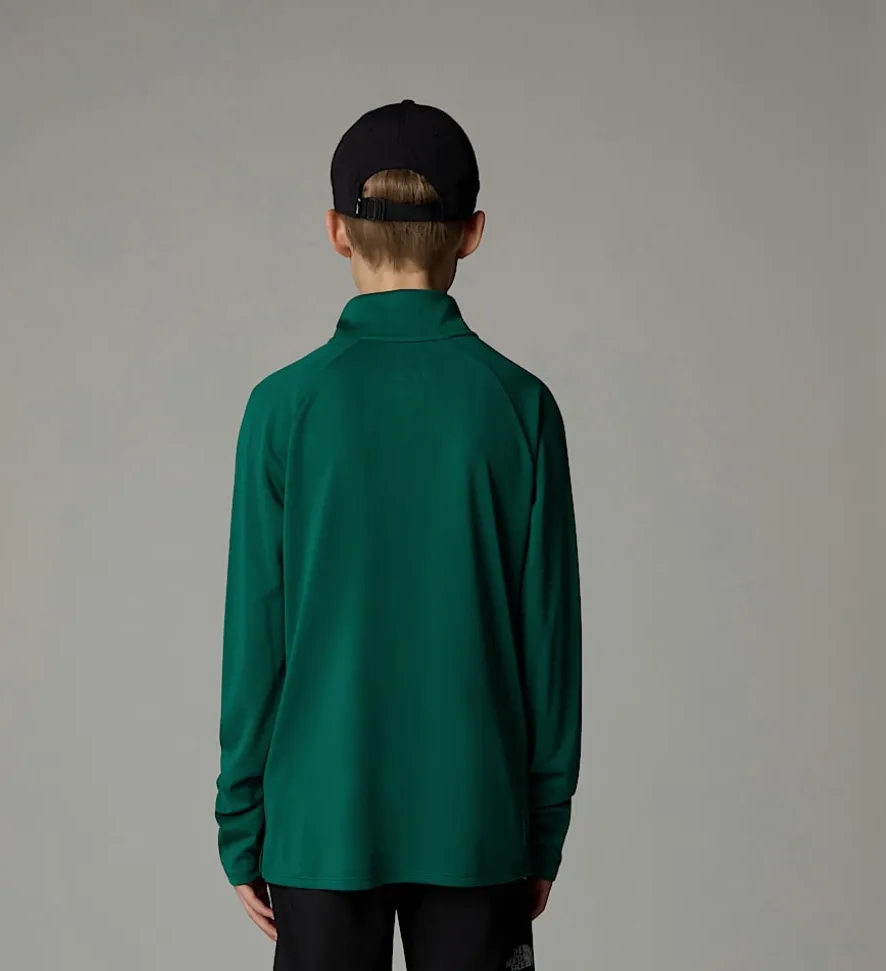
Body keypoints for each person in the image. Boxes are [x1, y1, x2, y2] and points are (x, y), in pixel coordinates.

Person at [215, 99, 581, 971]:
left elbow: (255, 638)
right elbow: (549, 639)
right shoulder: (519, 406)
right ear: (473, 233)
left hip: (319, 823)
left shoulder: (284, 408)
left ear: (336, 231)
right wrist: (542, 825)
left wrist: (242, 821)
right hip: (476, 820)